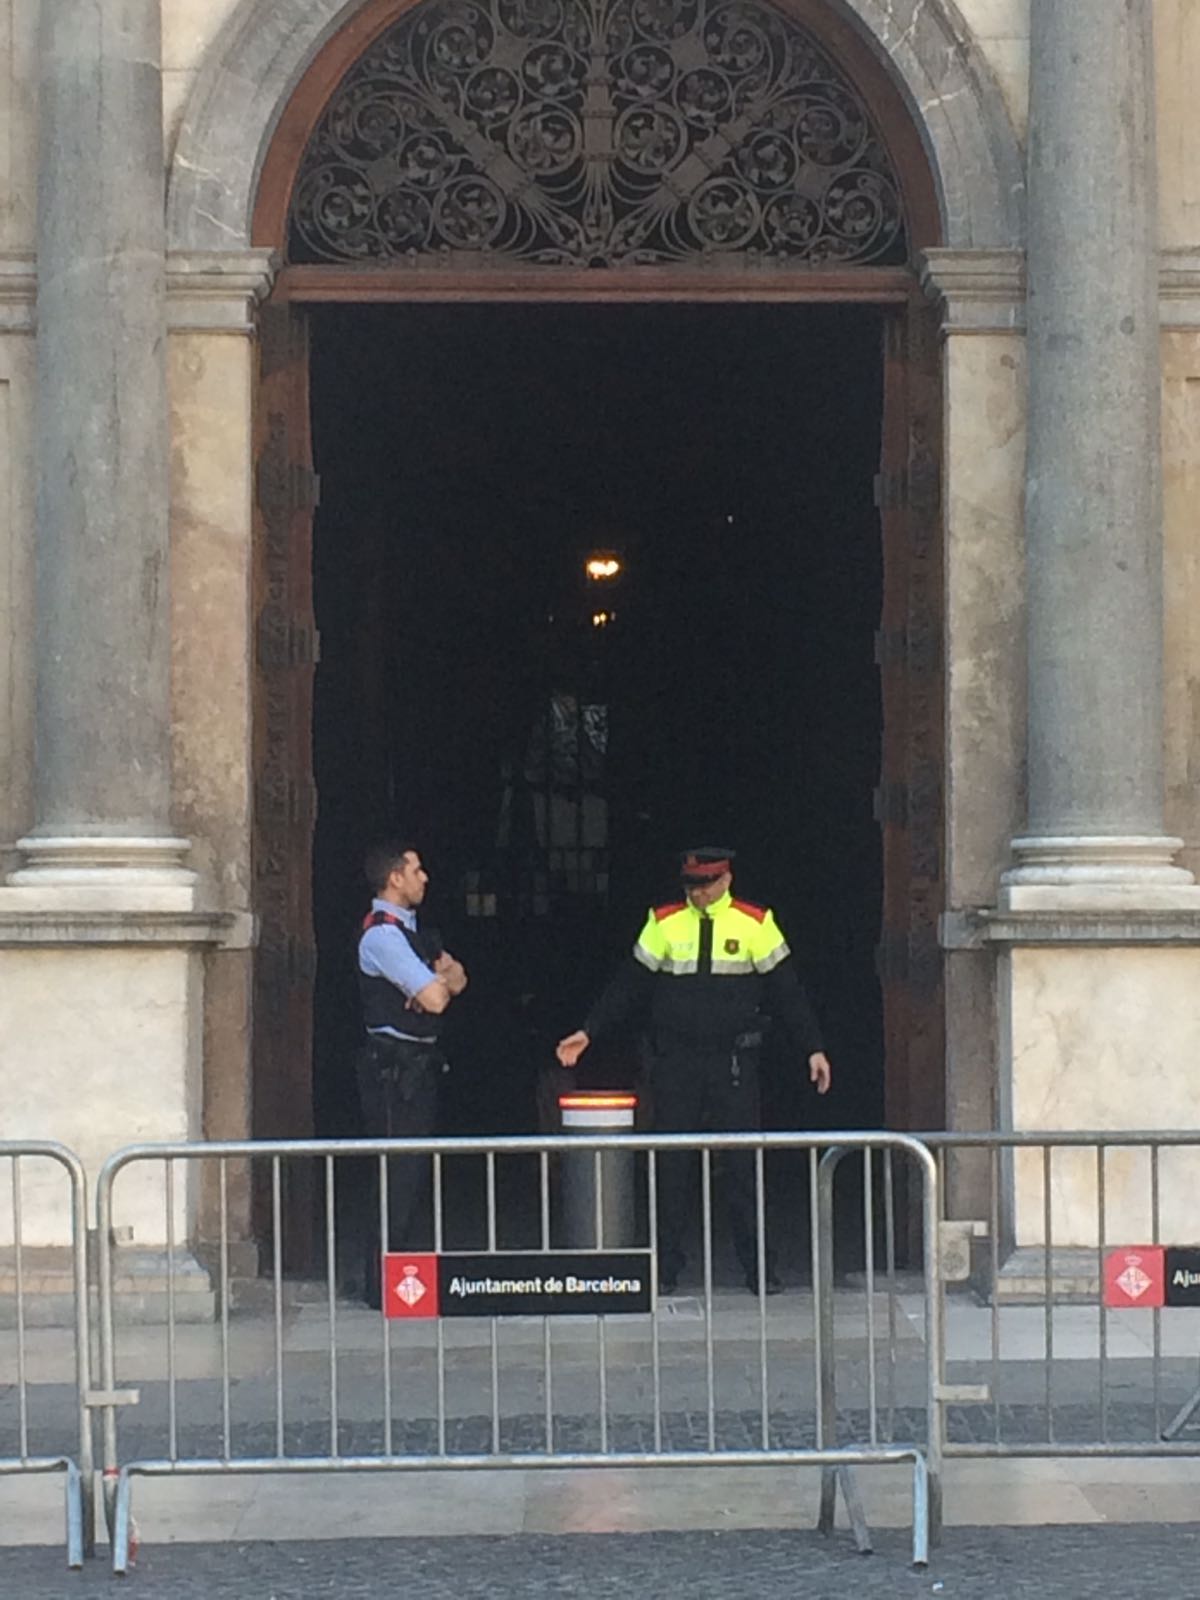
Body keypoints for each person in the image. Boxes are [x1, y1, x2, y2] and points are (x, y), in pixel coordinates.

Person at [556, 848, 830, 1294]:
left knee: (744, 1167)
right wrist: (589, 1030)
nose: (698, 894)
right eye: (690, 886)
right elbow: (629, 983)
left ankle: (761, 1269)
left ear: (726, 880)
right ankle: (664, 1270)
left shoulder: (756, 922)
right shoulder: (663, 921)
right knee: (672, 1167)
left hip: (734, 1063)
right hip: (677, 1062)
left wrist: (813, 1048)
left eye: (705, 885)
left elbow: (787, 990)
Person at [357, 840, 467, 1305]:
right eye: (416, 870)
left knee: (411, 1173)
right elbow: (441, 998)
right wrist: (434, 985)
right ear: (394, 879)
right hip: (392, 1071)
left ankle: (397, 1276)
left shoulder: (414, 930)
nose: (425, 878)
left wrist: (433, 984)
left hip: (417, 1066)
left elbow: (458, 979)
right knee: (396, 1175)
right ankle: (382, 1285)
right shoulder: (383, 935)